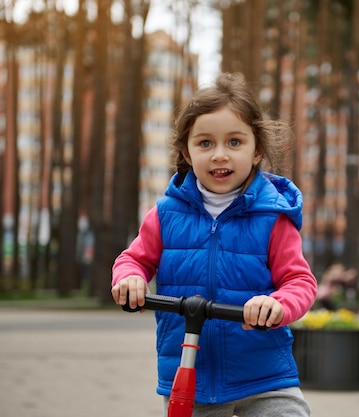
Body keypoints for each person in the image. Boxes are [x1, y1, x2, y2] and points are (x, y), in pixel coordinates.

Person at [111, 72, 318, 417]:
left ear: (257, 151)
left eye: (234, 142)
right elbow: (134, 260)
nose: (220, 154)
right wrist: (129, 279)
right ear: (187, 153)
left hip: (264, 374)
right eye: (205, 143)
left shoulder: (273, 217)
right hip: (193, 374)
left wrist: (277, 305)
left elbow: (300, 282)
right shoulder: (165, 215)